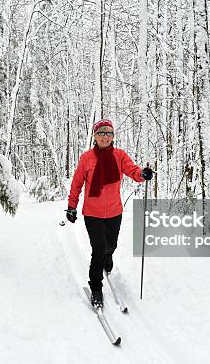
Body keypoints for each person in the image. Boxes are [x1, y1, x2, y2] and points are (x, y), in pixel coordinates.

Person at [65, 119, 153, 308]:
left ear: (113, 136)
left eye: (109, 133)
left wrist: (142, 174)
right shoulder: (86, 158)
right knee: (98, 251)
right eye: (102, 133)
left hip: (114, 211)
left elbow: (133, 171)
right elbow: (77, 183)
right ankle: (96, 288)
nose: (105, 136)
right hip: (93, 213)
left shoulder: (119, 155)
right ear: (95, 136)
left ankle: (108, 258)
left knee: (110, 246)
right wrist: (72, 206)